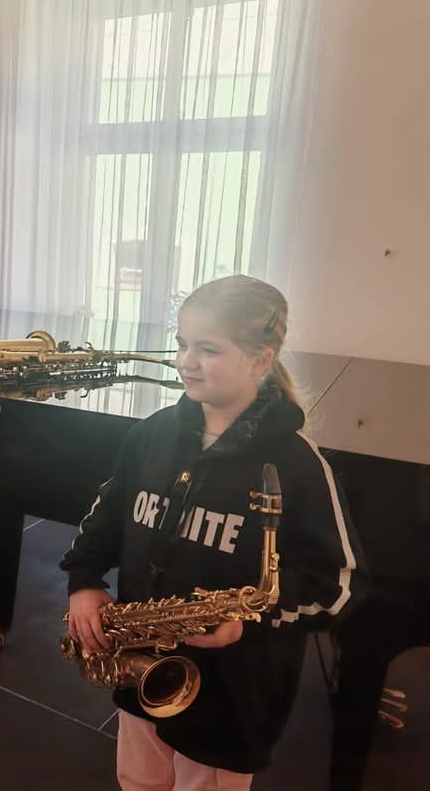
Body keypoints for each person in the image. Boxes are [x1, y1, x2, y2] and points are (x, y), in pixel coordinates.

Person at [60, 274, 367, 790]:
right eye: (182, 343)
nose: (186, 361)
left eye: (208, 349)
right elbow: (104, 520)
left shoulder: (296, 464)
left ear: (260, 361)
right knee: (137, 780)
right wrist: (84, 581)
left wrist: (247, 623)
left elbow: (339, 585)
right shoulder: (152, 434)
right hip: (141, 670)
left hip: (233, 694)